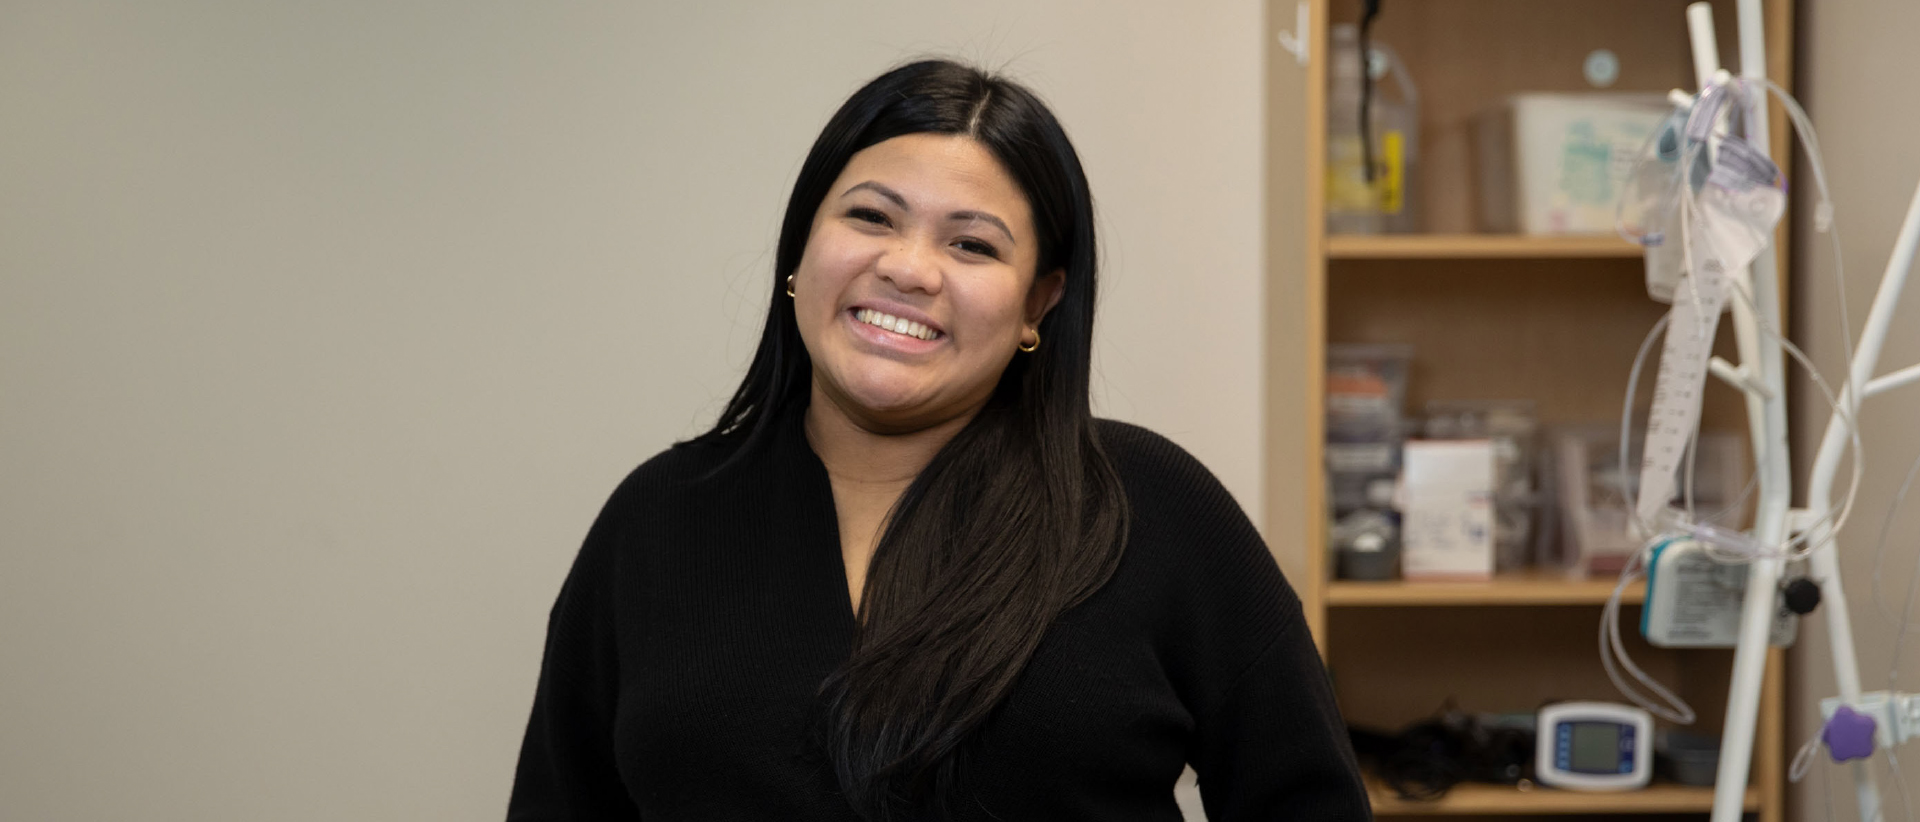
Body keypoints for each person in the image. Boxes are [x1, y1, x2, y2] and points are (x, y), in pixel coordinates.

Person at [506, 58, 1369, 821]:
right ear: (800, 251)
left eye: (971, 244)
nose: (911, 269)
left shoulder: (1152, 510)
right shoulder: (658, 520)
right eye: (873, 218)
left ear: (1039, 302)